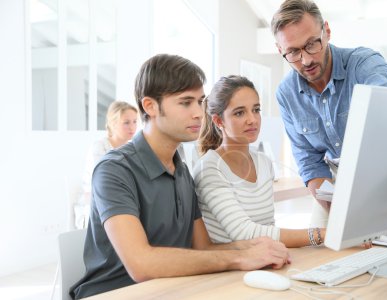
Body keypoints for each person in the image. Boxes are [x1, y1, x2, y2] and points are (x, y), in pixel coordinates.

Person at [70, 54, 290, 299]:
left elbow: (203, 247)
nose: (198, 113)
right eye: (186, 103)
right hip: (116, 293)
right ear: (150, 106)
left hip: (171, 289)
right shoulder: (114, 170)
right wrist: (240, 256)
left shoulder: (182, 171)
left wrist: (257, 246)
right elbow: (141, 264)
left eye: (200, 102)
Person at [271, 0, 387, 225]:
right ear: (280, 50)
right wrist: (339, 211)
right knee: (322, 251)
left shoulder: (364, 64)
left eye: (312, 44)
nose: (306, 60)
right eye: (293, 52)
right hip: (333, 185)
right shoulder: (286, 93)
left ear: (326, 32)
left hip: (384, 175)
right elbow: (309, 162)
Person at [193, 75, 325, 248]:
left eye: (256, 110)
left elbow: (268, 227)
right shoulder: (208, 168)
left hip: (264, 259)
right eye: (240, 113)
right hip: (229, 267)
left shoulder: (263, 162)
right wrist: (320, 234)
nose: (252, 120)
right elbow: (244, 233)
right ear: (218, 121)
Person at [75, 101, 138, 229]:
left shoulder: (133, 148)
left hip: (121, 202)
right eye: (126, 122)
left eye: (135, 121)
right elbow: (102, 185)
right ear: (113, 124)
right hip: (95, 207)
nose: (132, 127)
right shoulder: (99, 147)